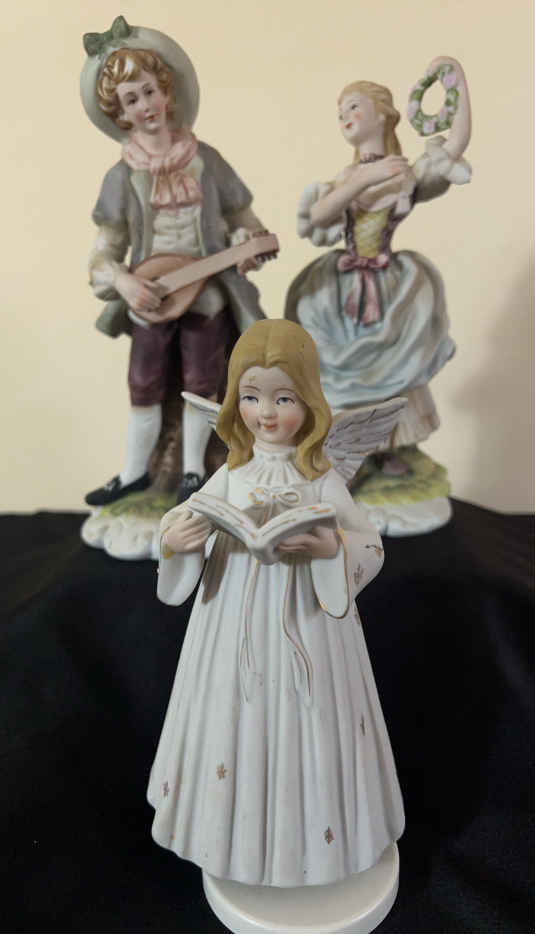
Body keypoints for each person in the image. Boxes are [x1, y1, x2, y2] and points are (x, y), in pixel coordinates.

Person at [148, 319, 404, 887]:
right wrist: (175, 539)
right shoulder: (232, 471)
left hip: (307, 628)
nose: (265, 413)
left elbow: (369, 544)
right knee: (231, 722)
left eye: (283, 398)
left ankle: (316, 846)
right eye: (251, 396)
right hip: (231, 620)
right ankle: (231, 839)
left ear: (308, 400)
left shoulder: (320, 475)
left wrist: (329, 549)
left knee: (310, 725)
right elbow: (181, 519)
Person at [80, 17, 268, 505]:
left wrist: (248, 241)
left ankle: (192, 471)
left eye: (149, 91)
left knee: (203, 380)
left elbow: (242, 220)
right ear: (119, 112)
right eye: (131, 100)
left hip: (206, 294)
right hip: (152, 295)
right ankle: (132, 473)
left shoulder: (207, 161)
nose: (144, 106)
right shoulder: (122, 177)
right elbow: (103, 251)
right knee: (143, 382)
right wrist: (124, 282)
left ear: (166, 91)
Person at [285, 57, 471, 476]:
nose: (345, 117)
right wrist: (364, 179)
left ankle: (385, 446)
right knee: (340, 368)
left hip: (388, 282)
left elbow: (455, 145)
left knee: (390, 363)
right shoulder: (348, 175)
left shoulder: (405, 172)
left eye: (354, 106)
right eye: (340, 112)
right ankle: (340, 450)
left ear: (382, 113)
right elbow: (319, 215)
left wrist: (455, 82)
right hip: (343, 284)